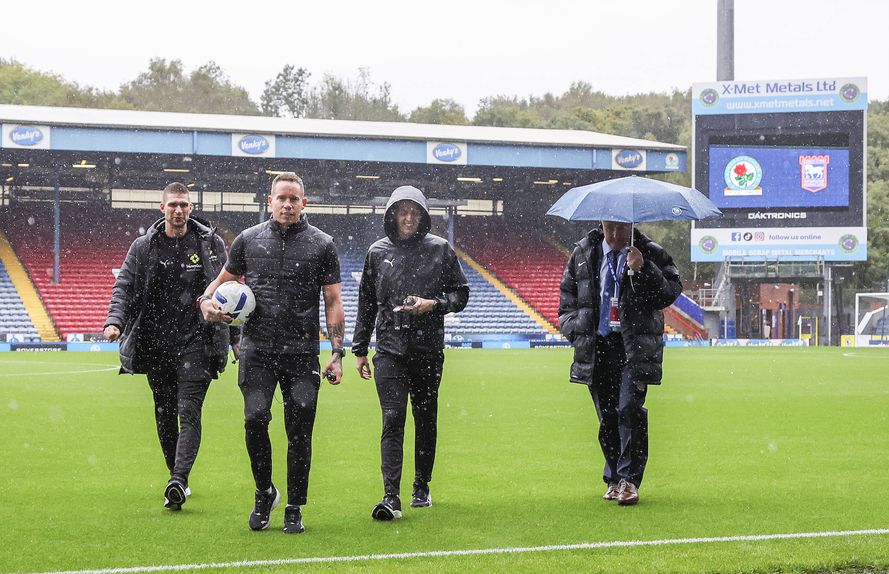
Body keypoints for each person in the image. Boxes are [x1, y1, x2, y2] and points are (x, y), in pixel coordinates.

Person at [199, 172, 344, 534]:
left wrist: (337, 351)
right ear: (270, 201)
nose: (287, 204)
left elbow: (333, 299)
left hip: (301, 353)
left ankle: (294, 505)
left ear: (304, 203)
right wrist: (205, 302)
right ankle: (265, 492)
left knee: (300, 430)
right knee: (254, 420)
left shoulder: (322, 244)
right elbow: (219, 284)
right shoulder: (248, 241)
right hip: (257, 350)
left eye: (294, 199)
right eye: (281, 198)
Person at [104, 182, 236, 511]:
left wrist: (236, 341)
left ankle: (178, 478)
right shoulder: (143, 246)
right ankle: (177, 477)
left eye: (184, 205)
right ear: (162, 208)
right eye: (173, 205)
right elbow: (124, 285)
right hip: (155, 345)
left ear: (191, 209)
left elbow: (229, 291)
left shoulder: (210, 244)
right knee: (164, 416)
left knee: (188, 412)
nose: (179, 210)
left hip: (198, 343)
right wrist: (115, 320)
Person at [352, 186, 469, 521]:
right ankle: (391, 496)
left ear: (422, 216)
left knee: (425, 418)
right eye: (402, 211)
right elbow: (366, 303)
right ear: (392, 215)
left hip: (427, 351)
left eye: (414, 212)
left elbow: (461, 294)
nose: (407, 218)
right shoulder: (376, 252)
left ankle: (421, 484)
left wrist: (434, 304)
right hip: (389, 350)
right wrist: (359, 349)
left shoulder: (440, 249)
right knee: (392, 418)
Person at [558, 221, 681, 506]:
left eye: (620, 229)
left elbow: (668, 293)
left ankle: (630, 480)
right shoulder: (583, 252)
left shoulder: (649, 252)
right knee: (607, 417)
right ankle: (613, 477)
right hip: (597, 345)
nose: (614, 236)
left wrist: (643, 268)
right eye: (609, 228)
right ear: (601, 224)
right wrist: (575, 332)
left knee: (629, 409)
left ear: (630, 224)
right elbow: (567, 300)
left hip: (633, 346)